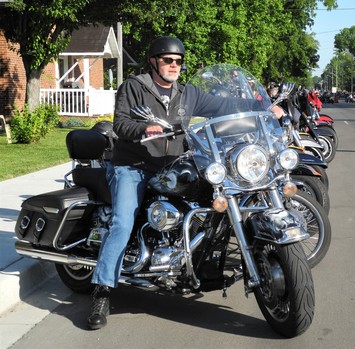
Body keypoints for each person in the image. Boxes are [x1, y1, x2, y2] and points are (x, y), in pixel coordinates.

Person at [87, 36, 284, 330]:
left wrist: (263, 106)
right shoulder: (134, 87)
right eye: (168, 60)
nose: (174, 65)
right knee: (123, 221)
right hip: (133, 166)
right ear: (154, 61)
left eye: (178, 61)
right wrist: (145, 128)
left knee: (215, 195)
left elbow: (225, 104)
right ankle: (102, 291)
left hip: (173, 164)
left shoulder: (188, 93)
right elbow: (121, 124)